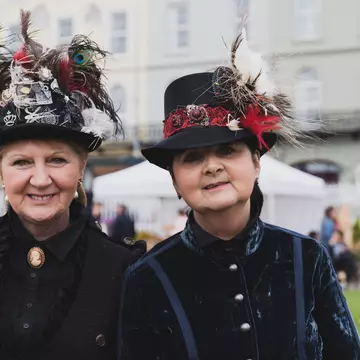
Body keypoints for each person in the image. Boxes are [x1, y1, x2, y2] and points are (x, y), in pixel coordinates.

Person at [119, 29, 360, 359]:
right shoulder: (146, 277)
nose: (212, 166)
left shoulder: (306, 257)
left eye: (227, 150)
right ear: (174, 181)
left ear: (256, 162)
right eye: (192, 157)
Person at [0, 11, 135, 359]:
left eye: (57, 160)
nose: (41, 179)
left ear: (81, 167)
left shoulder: (125, 271)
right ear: (1, 172)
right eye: (21, 162)